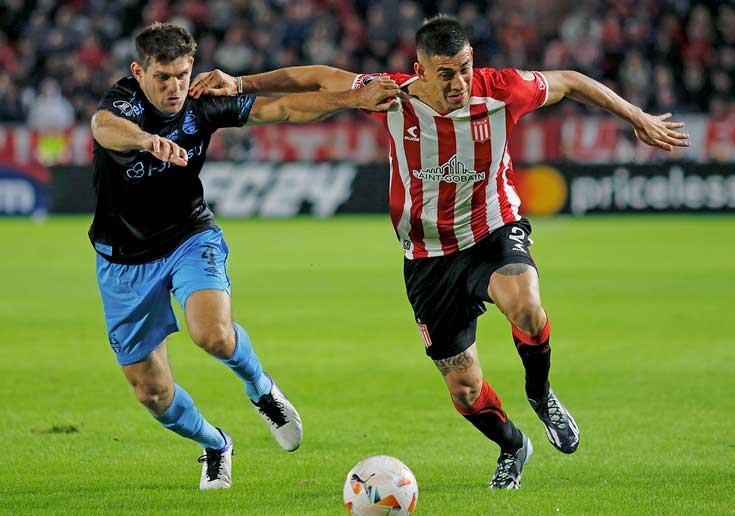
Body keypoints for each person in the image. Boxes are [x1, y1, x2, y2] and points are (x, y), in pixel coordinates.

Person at [190, 15, 689, 490]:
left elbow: (572, 81)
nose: (459, 83)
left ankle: (540, 394)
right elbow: (318, 77)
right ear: (421, 71)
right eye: (446, 73)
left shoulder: (503, 90)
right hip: (427, 257)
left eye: (465, 68)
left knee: (525, 304)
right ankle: (512, 445)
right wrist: (241, 83)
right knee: (465, 390)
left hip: (492, 230)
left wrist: (637, 117)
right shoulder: (391, 95)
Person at [89, 22, 401, 491]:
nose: (174, 87)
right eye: (162, 77)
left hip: (189, 237)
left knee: (213, 335)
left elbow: (285, 107)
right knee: (151, 392)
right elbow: (102, 127)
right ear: (139, 72)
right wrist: (147, 140)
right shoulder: (122, 103)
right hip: (122, 259)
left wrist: (353, 99)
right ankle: (215, 444)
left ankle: (262, 390)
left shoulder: (203, 100)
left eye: (182, 75)